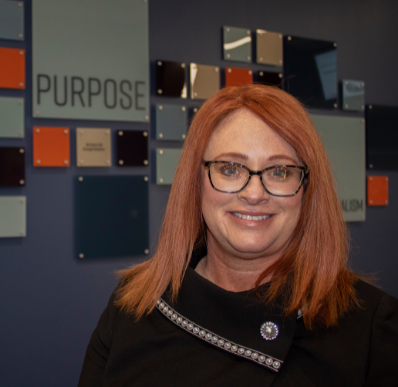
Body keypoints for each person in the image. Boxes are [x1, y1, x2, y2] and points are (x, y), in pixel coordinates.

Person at [79, 85, 398, 386]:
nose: (255, 193)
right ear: (196, 181)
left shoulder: (371, 329)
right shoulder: (132, 306)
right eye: (230, 169)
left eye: (280, 172)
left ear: (307, 188)